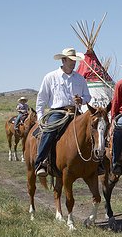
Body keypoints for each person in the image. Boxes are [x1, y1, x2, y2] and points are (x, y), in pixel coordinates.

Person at [35, 48, 91, 177]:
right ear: (63, 60)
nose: (73, 63)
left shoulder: (80, 78)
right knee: (49, 131)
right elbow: (42, 98)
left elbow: (88, 97)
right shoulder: (50, 77)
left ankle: (96, 163)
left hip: (76, 111)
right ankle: (41, 163)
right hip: (58, 112)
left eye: (74, 60)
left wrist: (81, 99)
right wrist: (39, 116)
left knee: (91, 131)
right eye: (70, 60)